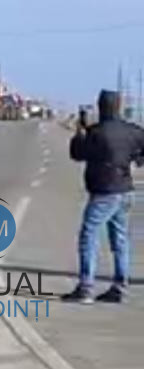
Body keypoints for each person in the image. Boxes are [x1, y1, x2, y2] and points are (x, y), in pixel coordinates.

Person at [62, 89, 144, 304]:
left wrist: (80, 131)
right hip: (125, 190)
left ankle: (86, 287)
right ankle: (119, 287)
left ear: (100, 107)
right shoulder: (134, 131)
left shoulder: (96, 133)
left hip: (104, 192)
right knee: (120, 239)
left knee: (88, 235)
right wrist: (134, 159)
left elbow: (77, 153)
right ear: (119, 106)